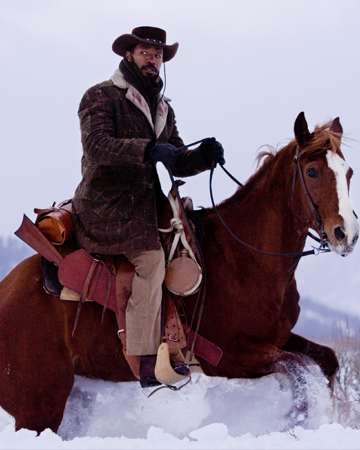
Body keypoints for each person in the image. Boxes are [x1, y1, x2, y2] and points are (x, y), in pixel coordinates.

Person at [72, 26, 225, 387]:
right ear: (129, 56)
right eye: (145, 53)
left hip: (144, 206)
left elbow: (176, 158)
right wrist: (146, 150)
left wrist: (203, 157)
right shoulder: (100, 96)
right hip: (106, 206)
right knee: (152, 262)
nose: (152, 60)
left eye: (157, 55)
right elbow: (96, 145)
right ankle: (143, 359)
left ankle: (180, 341)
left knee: (192, 246)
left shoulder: (162, 109)